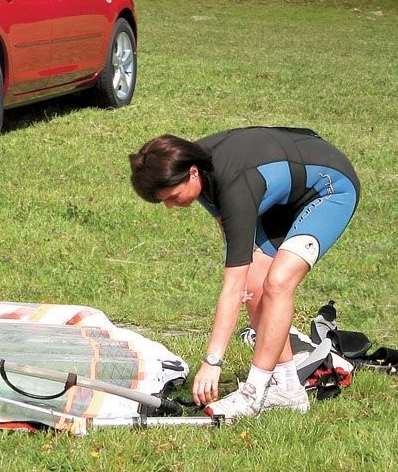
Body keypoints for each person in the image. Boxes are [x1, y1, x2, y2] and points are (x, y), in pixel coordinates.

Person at [129, 127, 361, 418]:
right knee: (254, 281)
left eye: (172, 197)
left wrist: (213, 361)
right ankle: (287, 388)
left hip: (330, 188)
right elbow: (234, 245)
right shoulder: (192, 167)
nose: (169, 206)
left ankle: (254, 391)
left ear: (192, 174)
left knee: (278, 281)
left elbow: (232, 287)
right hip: (280, 197)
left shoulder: (233, 185)